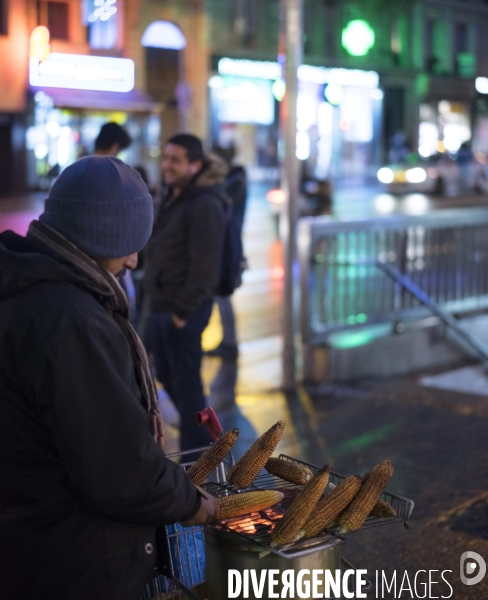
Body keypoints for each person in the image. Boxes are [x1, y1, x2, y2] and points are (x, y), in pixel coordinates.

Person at [0, 156, 218, 600]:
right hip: (71, 558)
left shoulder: (30, 285)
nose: (135, 260)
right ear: (97, 235)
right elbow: (120, 466)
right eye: (128, 244)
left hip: (28, 539)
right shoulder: (69, 320)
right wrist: (194, 503)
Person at [143, 134, 227, 455]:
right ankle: (205, 435)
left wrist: (181, 313)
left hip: (183, 310)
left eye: (175, 160)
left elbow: (205, 268)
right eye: (165, 158)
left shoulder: (204, 204)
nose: (167, 165)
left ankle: (199, 457)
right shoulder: (171, 196)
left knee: (187, 383)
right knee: (165, 373)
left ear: (194, 164)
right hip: (162, 305)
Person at [206, 145, 248, 360]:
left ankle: (230, 342)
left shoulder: (234, 183)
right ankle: (228, 341)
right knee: (221, 294)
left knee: (223, 294)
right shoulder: (234, 181)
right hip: (227, 244)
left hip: (228, 245)